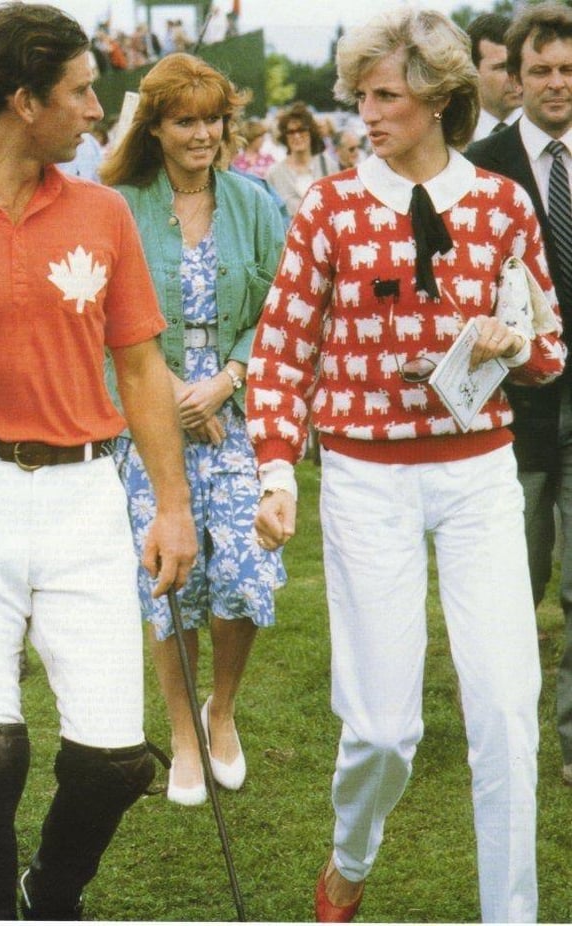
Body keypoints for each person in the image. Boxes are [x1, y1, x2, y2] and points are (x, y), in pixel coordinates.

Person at [246, 7, 566, 923]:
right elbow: (281, 354)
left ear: (437, 99)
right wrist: (277, 472)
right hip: (365, 478)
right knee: (384, 729)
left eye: (386, 95)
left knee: (506, 714)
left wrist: (513, 341)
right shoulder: (330, 206)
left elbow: (549, 349)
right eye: (361, 95)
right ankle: (350, 857)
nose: (368, 113)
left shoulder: (502, 205)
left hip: (480, 474)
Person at [0, 3, 197, 920]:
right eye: (81, 91)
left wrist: (173, 507)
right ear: (23, 99)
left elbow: (142, 367)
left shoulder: (102, 211)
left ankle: (51, 895)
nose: (96, 111)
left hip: (86, 495)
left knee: (115, 760)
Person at [100, 53, 287, 806]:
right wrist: (170, 393)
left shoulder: (253, 201)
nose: (203, 133)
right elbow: (100, 318)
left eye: (213, 119)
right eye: (186, 120)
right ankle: (182, 731)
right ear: (154, 127)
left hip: (233, 408)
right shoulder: (120, 205)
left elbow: (280, 307)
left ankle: (222, 710)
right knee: (170, 575)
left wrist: (226, 380)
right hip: (146, 407)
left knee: (242, 565)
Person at [466, 0, 572, 789]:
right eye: (541, 69)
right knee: (512, 580)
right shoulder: (481, 166)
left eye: (568, 69)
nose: (557, 82)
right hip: (516, 408)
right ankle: (500, 724)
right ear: (515, 76)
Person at [266, 101, 338, 217]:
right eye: (291, 132)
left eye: (301, 130)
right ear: (285, 136)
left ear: (311, 132)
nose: (297, 136)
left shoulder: (328, 165)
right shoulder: (274, 174)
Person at [467, 12, 523, 140]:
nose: (516, 77)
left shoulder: (548, 129)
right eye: (502, 67)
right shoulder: (449, 135)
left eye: (518, 65)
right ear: (472, 72)